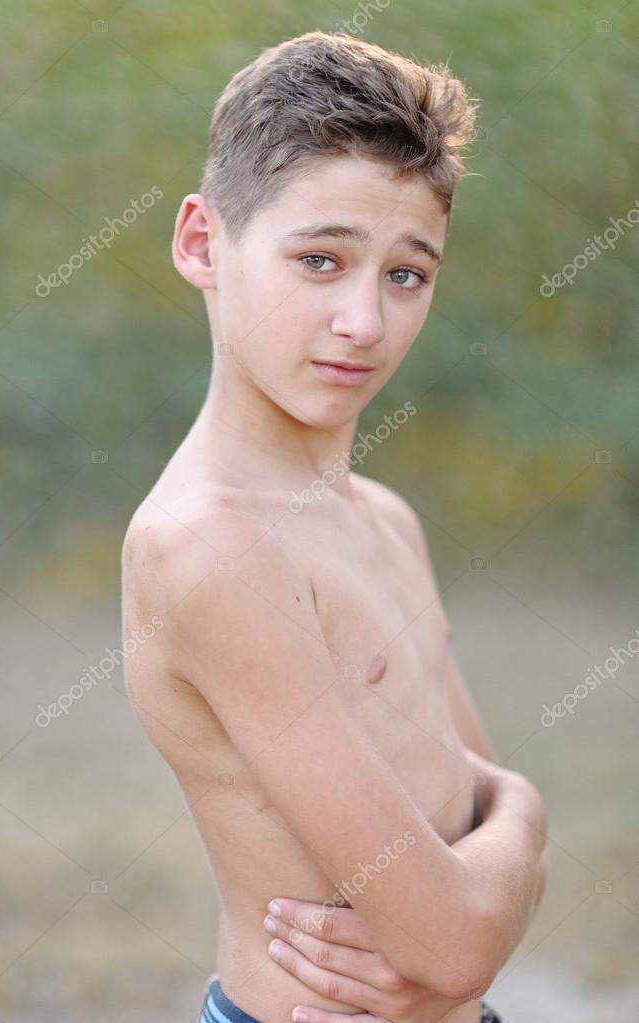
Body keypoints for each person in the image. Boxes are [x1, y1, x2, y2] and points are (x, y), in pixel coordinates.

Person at [120, 29, 549, 1023]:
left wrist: (506, 841)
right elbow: (458, 940)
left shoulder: (386, 522)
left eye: (406, 275)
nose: (365, 320)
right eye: (320, 260)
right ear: (200, 244)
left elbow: (487, 873)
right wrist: (526, 818)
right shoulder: (208, 545)